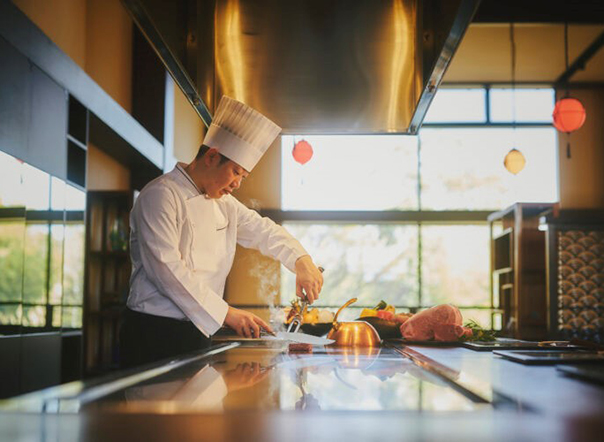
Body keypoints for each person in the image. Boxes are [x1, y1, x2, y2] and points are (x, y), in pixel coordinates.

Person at [120, 96, 324, 369]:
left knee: (199, 411)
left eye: (244, 177)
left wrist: (302, 260)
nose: (238, 184)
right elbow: (167, 270)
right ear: (212, 156)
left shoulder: (225, 204)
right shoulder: (160, 195)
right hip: (155, 332)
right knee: (156, 409)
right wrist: (227, 313)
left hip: (200, 328)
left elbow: (264, 231)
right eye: (236, 172)